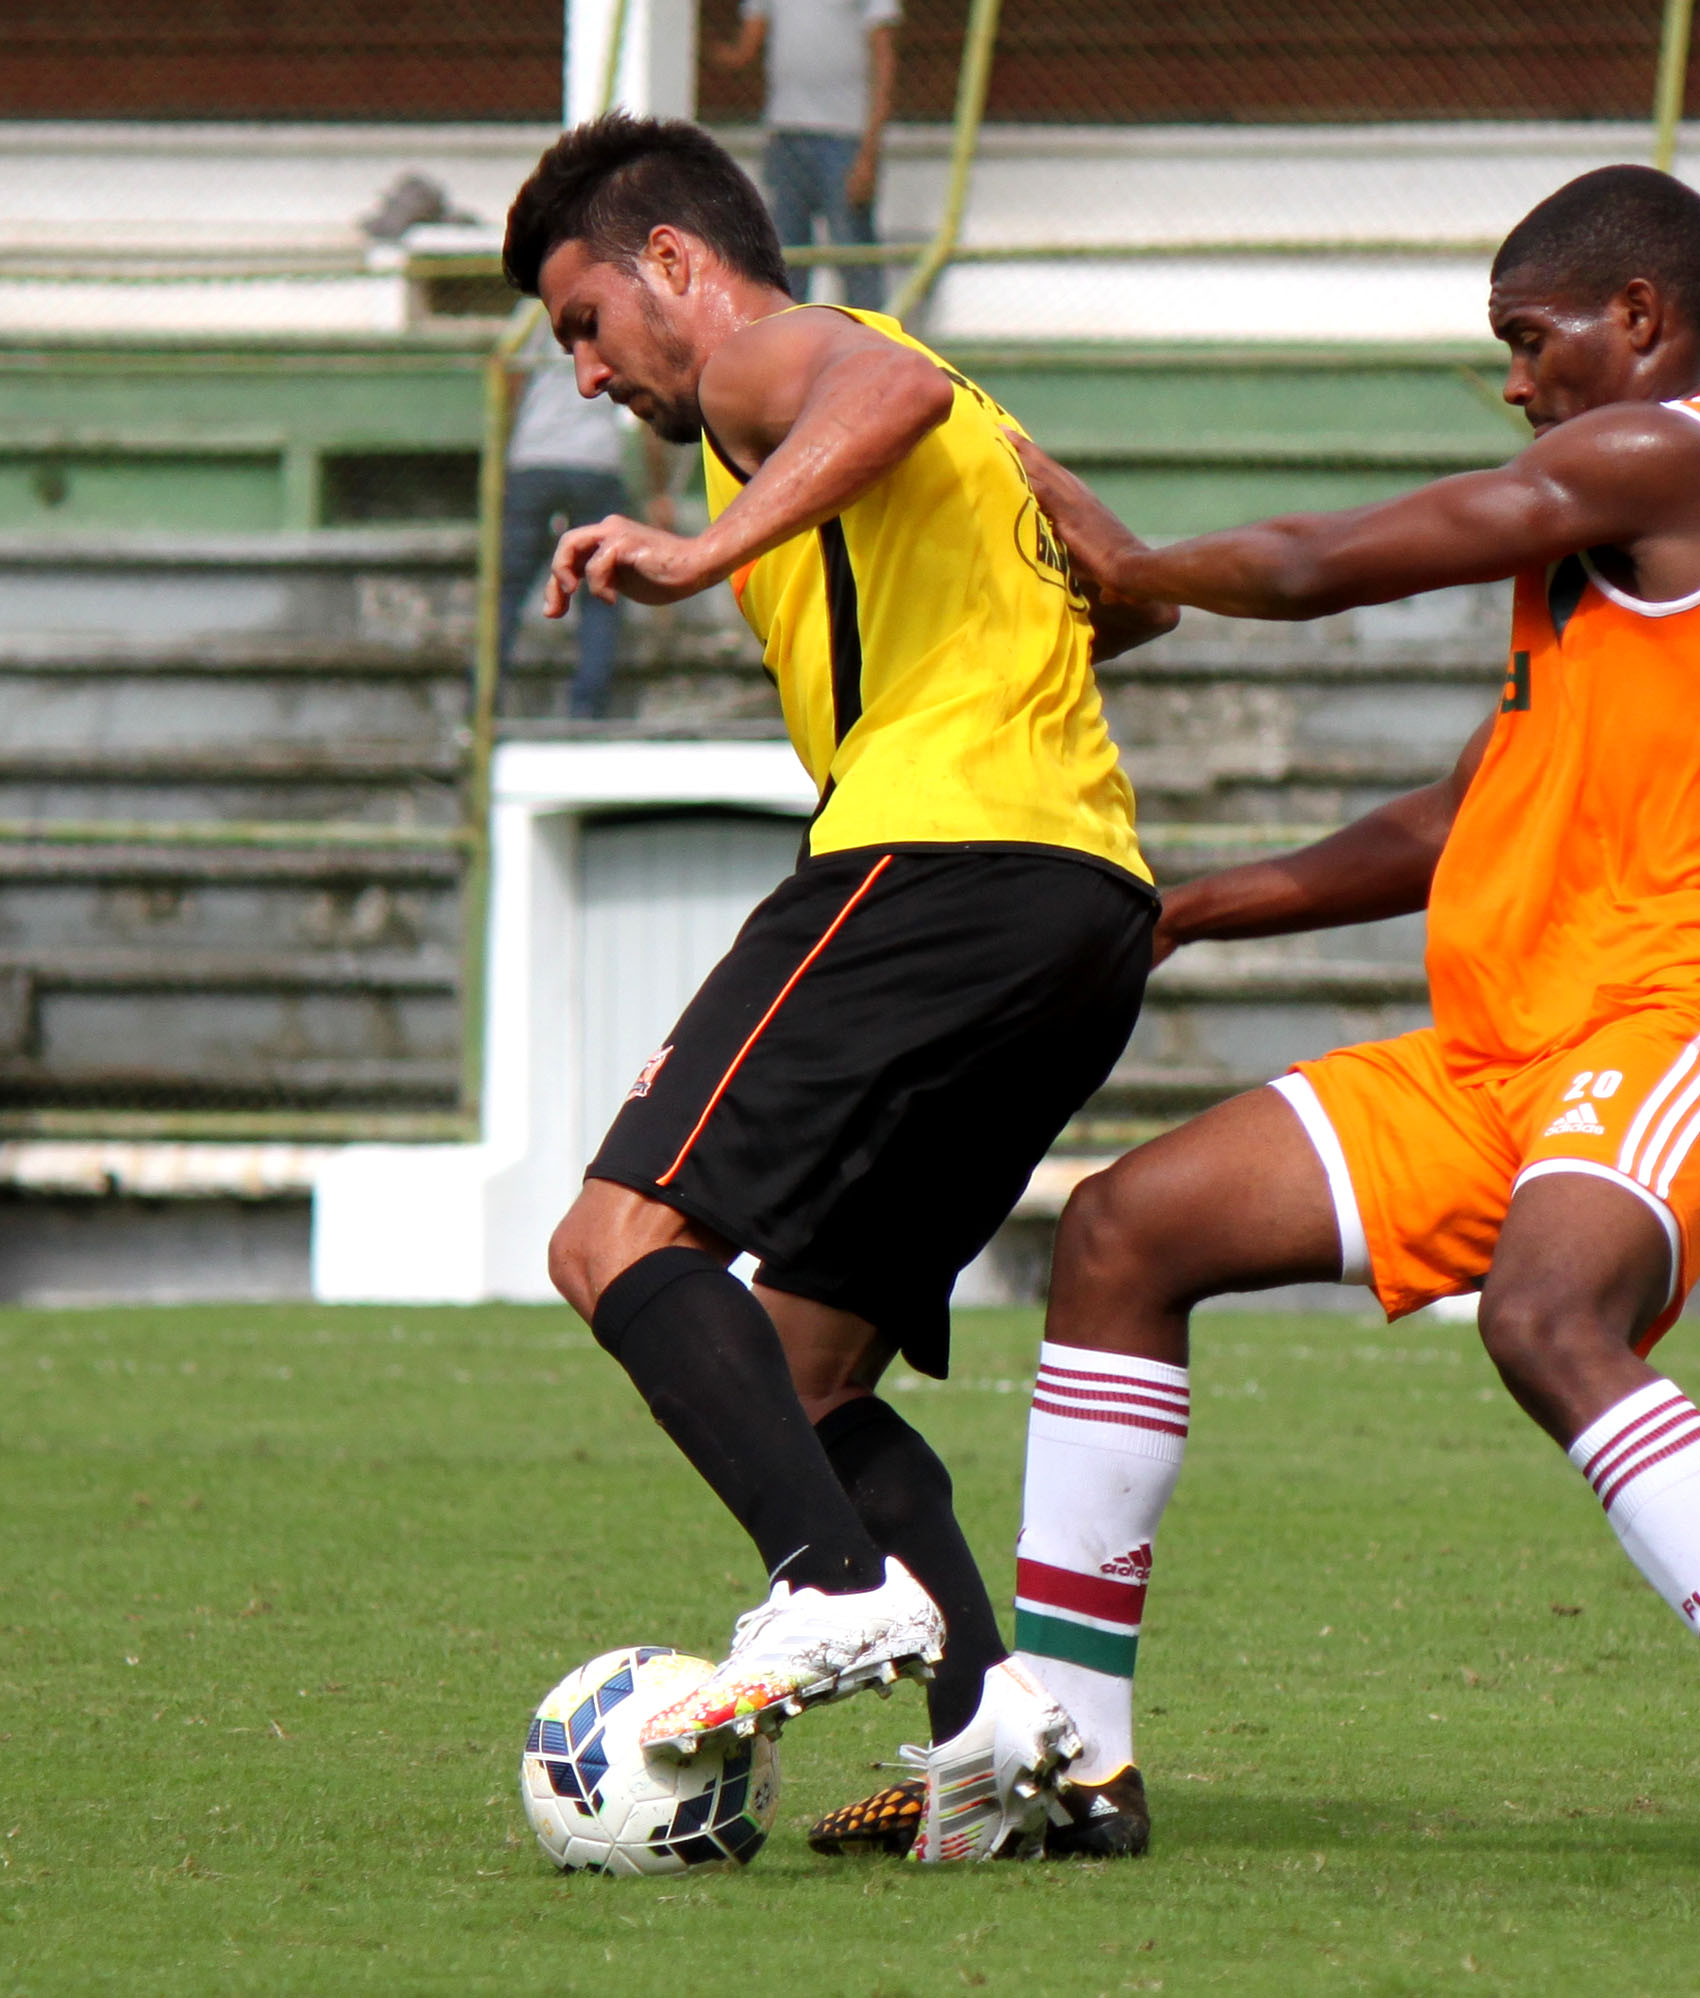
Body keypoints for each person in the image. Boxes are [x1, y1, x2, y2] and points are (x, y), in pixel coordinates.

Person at [831, 165, 1700, 1899]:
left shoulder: (1678, 457)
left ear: (1639, 321)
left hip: (1699, 1012)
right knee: (1128, 1230)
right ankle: (1070, 1756)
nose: (1515, 382)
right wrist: (1196, 905)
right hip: (1511, 1054)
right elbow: (1455, 819)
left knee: (1543, 1311)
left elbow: (1319, 561)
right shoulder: (1600, 570)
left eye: (1529, 341)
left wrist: (1132, 563)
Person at [500, 110, 1174, 1863]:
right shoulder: (956, 399)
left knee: (611, 1243)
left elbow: (883, 397)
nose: (585, 374)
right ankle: (1015, 1748)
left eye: (582, 321)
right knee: (805, 1370)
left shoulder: (762, 364)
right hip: (1088, 905)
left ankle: (827, 1585)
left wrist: (697, 552)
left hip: (933, 859)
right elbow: (1129, 585)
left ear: (672, 262)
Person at [494, 345, 675, 720]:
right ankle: (587, 708)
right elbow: (646, 409)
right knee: (601, 586)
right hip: (595, 462)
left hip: (534, 459)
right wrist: (656, 489)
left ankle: (482, 701)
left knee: (507, 589)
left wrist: (503, 456)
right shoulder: (609, 318)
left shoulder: (533, 321)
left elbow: (509, 384)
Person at [715, 0, 897, 310]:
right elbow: (746, 46)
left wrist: (869, 152)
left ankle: (872, 343)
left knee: (853, 252)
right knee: (786, 256)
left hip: (844, 135)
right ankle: (793, 345)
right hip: (785, 134)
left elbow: (884, 57)